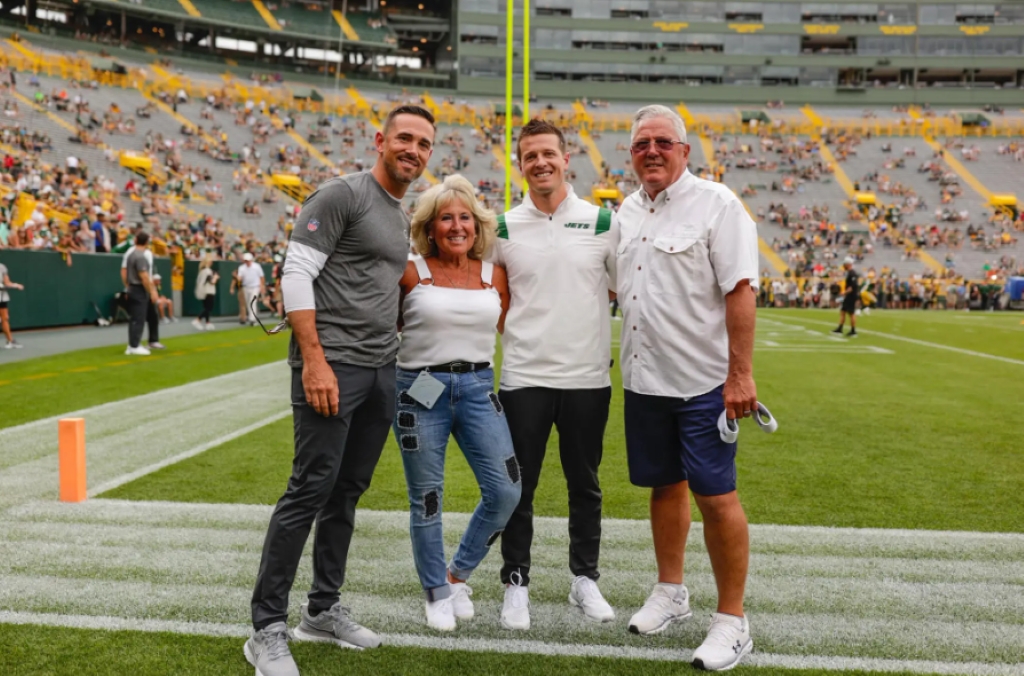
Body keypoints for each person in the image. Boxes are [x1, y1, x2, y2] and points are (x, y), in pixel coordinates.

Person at [246, 105, 436, 676]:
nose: (414, 149)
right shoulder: (341, 195)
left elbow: (393, 277)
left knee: (346, 492)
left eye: (424, 143)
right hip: (334, 366)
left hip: (381, 368)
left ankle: (322, 609)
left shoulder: (399, 215)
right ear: (380, 140)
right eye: (404, 138)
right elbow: (296, 272)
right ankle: (266, 628)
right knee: (309, 490)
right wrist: (314, 361)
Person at [615, 105, 759, 671]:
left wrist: (740, 374)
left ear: (684, 150)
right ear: (631, 154)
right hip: (645, 379)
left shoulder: (718, 204)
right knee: (663, 486)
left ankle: (732, 620)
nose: (651, 151)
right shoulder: (626, 211)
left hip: (702, 383)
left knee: (717, 496)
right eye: (641, 144)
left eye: (663, 142)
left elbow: (740, 290)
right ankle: (671, 591)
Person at [490, 119, 619, 630]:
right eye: (529, 156)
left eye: (548, 153)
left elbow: (623, 290)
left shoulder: (604, 221)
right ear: (520, 165)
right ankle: (515, 580)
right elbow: (497, 300)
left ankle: (584, 578)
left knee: (584, 484)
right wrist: (525, 338)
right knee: (519, 486)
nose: (540, 162)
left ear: (567, 159)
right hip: (524, 377)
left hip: (588, 378)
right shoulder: (501, 227)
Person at [393, 174, 519, 630]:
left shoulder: (494, 275)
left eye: (465, 217)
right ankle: (435, 591)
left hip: (478, 388)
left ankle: (456, 574)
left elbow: (514, 331)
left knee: (506, 490)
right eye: (446, 218)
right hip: (419, 388)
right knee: (426, 498)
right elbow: (385, 327)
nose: (457, 226)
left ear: (478, 225)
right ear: (430, 226)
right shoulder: (412, 271)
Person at [121, 238, 165, 350]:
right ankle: (134, 345)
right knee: (138, 317)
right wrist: (128, 286)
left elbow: (148, 274)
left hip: (146, 286)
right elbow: (125, 271)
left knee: (153, 315)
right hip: (139, 287)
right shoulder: (132, 253)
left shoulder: (147, 253)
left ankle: (153, 340)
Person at [833, 256, 860, 337]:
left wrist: (844, 292)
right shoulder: (849, 273)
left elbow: (852, 286)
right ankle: (840, 329)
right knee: (843, 311)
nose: (844, 266)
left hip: (851, 296)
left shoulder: (852, 273)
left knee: (851, 313)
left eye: (845, 264)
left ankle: (853, 331)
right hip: (849, 295)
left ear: (848, 264)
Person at [0, 261, 25, 349]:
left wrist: (16, 285)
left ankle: (10, 341)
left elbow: (7, 282)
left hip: (1, 297)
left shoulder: (2, 267)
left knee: (5, 318)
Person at [237, 252, 265, 326]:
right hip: (246, 287)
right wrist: (239, 279)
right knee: (248, 303)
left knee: (252, 302)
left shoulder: (257, 266)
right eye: (246, 260)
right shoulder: (241, 268)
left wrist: (262, 286)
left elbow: (261, 277)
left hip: (255, 287)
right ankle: (251, 318)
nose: (247, 262)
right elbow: (239, 277)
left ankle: (252, 319)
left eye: (248, 260)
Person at [193, 255, 219, 331]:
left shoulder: (202, 271)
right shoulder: (207, 271)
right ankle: (197, 320)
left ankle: (208, 323)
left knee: (206, 307)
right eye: (211, 261)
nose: (212, 262)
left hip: (203, 291)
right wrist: (216, 277)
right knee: (209, 308)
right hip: (208, 291)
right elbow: (212, 282)